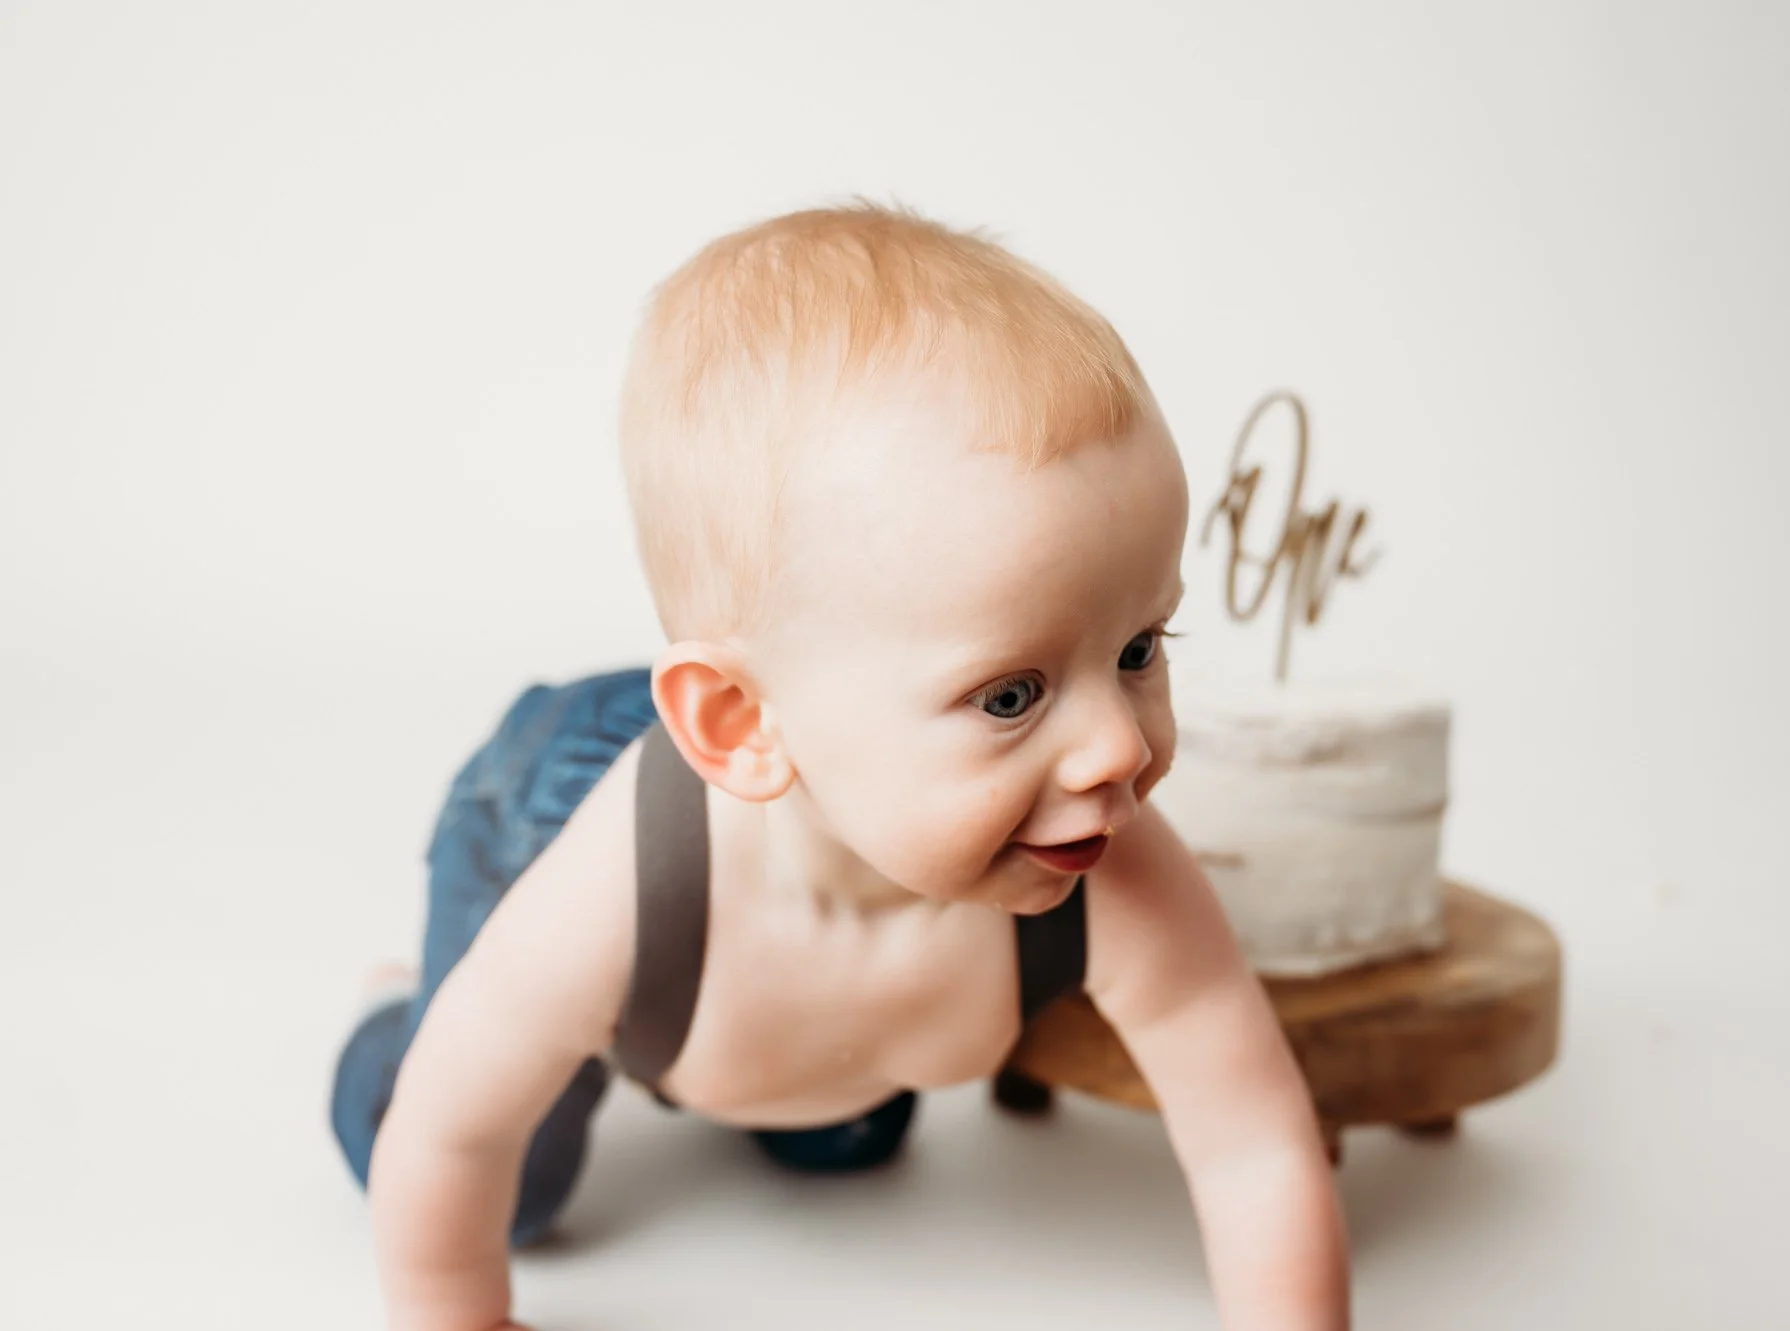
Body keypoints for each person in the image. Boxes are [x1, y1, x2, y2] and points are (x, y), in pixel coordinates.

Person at [330, 203, 1349, 1331]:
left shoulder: (1101, 856)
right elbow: (451, 1130)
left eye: (1137, 647)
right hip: (556, 807)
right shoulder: (616, 881)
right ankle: (397, 1011)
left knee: (847, 1128)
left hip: (816, 838)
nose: (1118, 746)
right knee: (509, 1169)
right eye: (1010, 694)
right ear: (740, 722)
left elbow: (1253, 1139)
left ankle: (770, 1077)